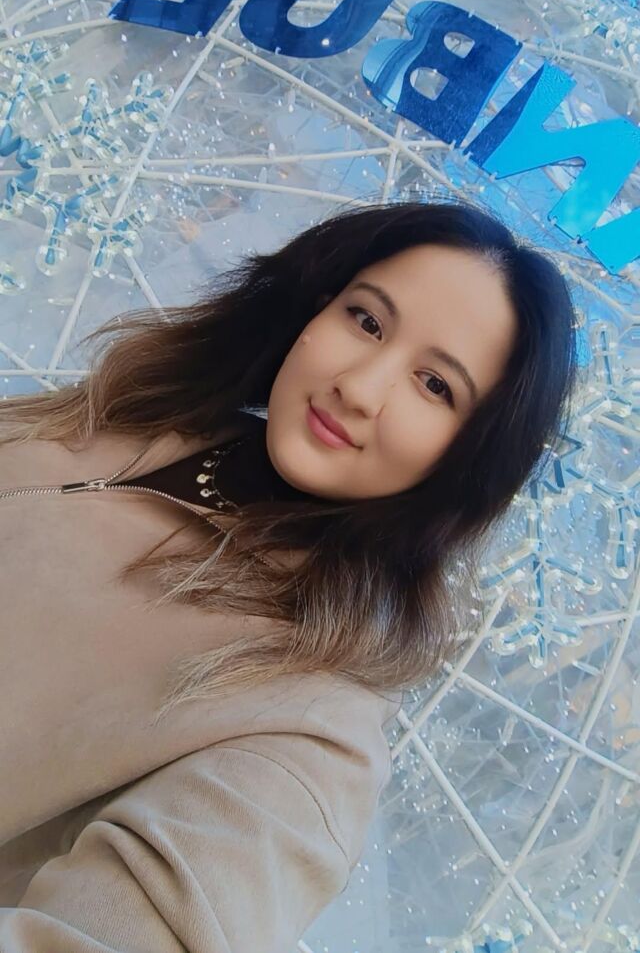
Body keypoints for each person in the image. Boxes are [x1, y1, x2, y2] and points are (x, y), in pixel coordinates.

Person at [0, 199, 578, 949]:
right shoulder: (139, 410)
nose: (359, 387)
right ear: (314, 304)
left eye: (436, 386)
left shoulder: (309, 729)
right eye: (366, 321)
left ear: (471, 457)